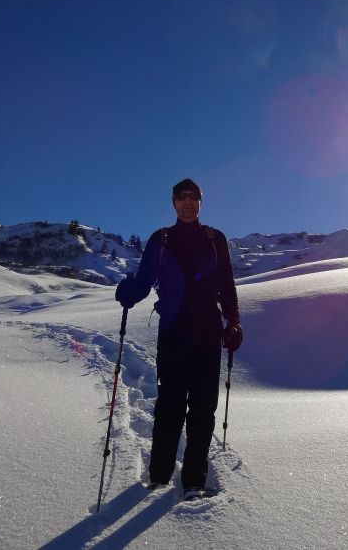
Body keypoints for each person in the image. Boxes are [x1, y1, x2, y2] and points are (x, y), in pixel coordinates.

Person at [115, 178, 243, 499]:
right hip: (173, 333)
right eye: (182, 197)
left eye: (194, 197)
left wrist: (234, 322)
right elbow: (145, 282)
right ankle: (159, 476)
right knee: (170, 404)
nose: (188, 202)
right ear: (173, 203)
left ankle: (194, 481)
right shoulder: (162, 239)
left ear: (201, 202)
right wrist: (129, 292)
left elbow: (226, 285)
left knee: (203, 408)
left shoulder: (215, 239)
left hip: (208, 332)